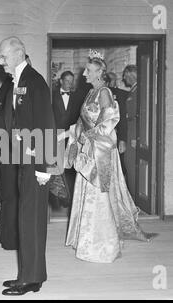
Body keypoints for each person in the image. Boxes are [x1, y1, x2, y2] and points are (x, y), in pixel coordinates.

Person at [62, 51, 156, 263]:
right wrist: (74, 134)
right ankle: (86, 238)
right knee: (88, 191)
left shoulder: (103, 92)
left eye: (88, 70)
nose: (84, 73)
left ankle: (102, 244)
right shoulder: (90, 92)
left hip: (101, 151)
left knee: (99, 194)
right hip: (89, 148)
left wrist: (88, 137)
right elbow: (82, 120)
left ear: (98, 73)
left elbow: (109, 121)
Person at [0, 37, 56, 295]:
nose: (0, 62)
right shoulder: (16, 82)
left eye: (3, 57)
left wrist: (43, 167)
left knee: (32, 220)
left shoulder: (35, 82)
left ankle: (31, 278)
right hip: (22, 161)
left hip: (35, 163)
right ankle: (30, 274)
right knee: (26, 219)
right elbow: (5, 122)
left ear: (18, 54)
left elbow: (46, 125)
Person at [0, 53, 32, 250]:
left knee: (10, 194)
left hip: (9, 149)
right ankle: (11, 239)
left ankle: (9, 239)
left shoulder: (8, 87)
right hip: (14, 149)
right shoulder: (15, 88)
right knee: (13, 195)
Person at [51, 71, 86, 207]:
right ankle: (57, 200)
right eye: (67, 81)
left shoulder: (78, 97)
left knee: (70, 168)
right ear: (61, 81)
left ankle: (70, 200)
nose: (70, 84)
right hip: (56, 136)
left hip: (71, 137)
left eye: (72, 81)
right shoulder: (52, 96)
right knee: (57, 167)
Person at [105, 72, 129, 178]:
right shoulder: (92, 94)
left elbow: (123, 118)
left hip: (115, 136)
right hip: (100, 137)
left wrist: (122, 139)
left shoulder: (121, 94)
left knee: (119, 166)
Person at [122, 65, 138, 198]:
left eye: (125, 75)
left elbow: (139, 116)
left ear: (131, 75)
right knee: (128, 164)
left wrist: (135, 137)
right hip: (129, 133)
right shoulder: (133, 90)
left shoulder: (139, 91)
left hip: (133, 134)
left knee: (130, 164)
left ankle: (134, 199)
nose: (124, 78)